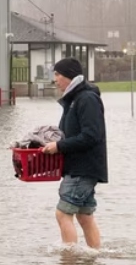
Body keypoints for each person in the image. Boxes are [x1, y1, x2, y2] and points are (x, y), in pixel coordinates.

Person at [42, 58, 107, 250]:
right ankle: (94, 257)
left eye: (57, 74)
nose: (55, 79)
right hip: (82, 167)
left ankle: (70, 264)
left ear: (69, 76)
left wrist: (60, 146)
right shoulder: (74, 99)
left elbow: (91, 135)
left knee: (63, 214)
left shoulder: (86, 99)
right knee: (84, 216)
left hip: (83, 168)